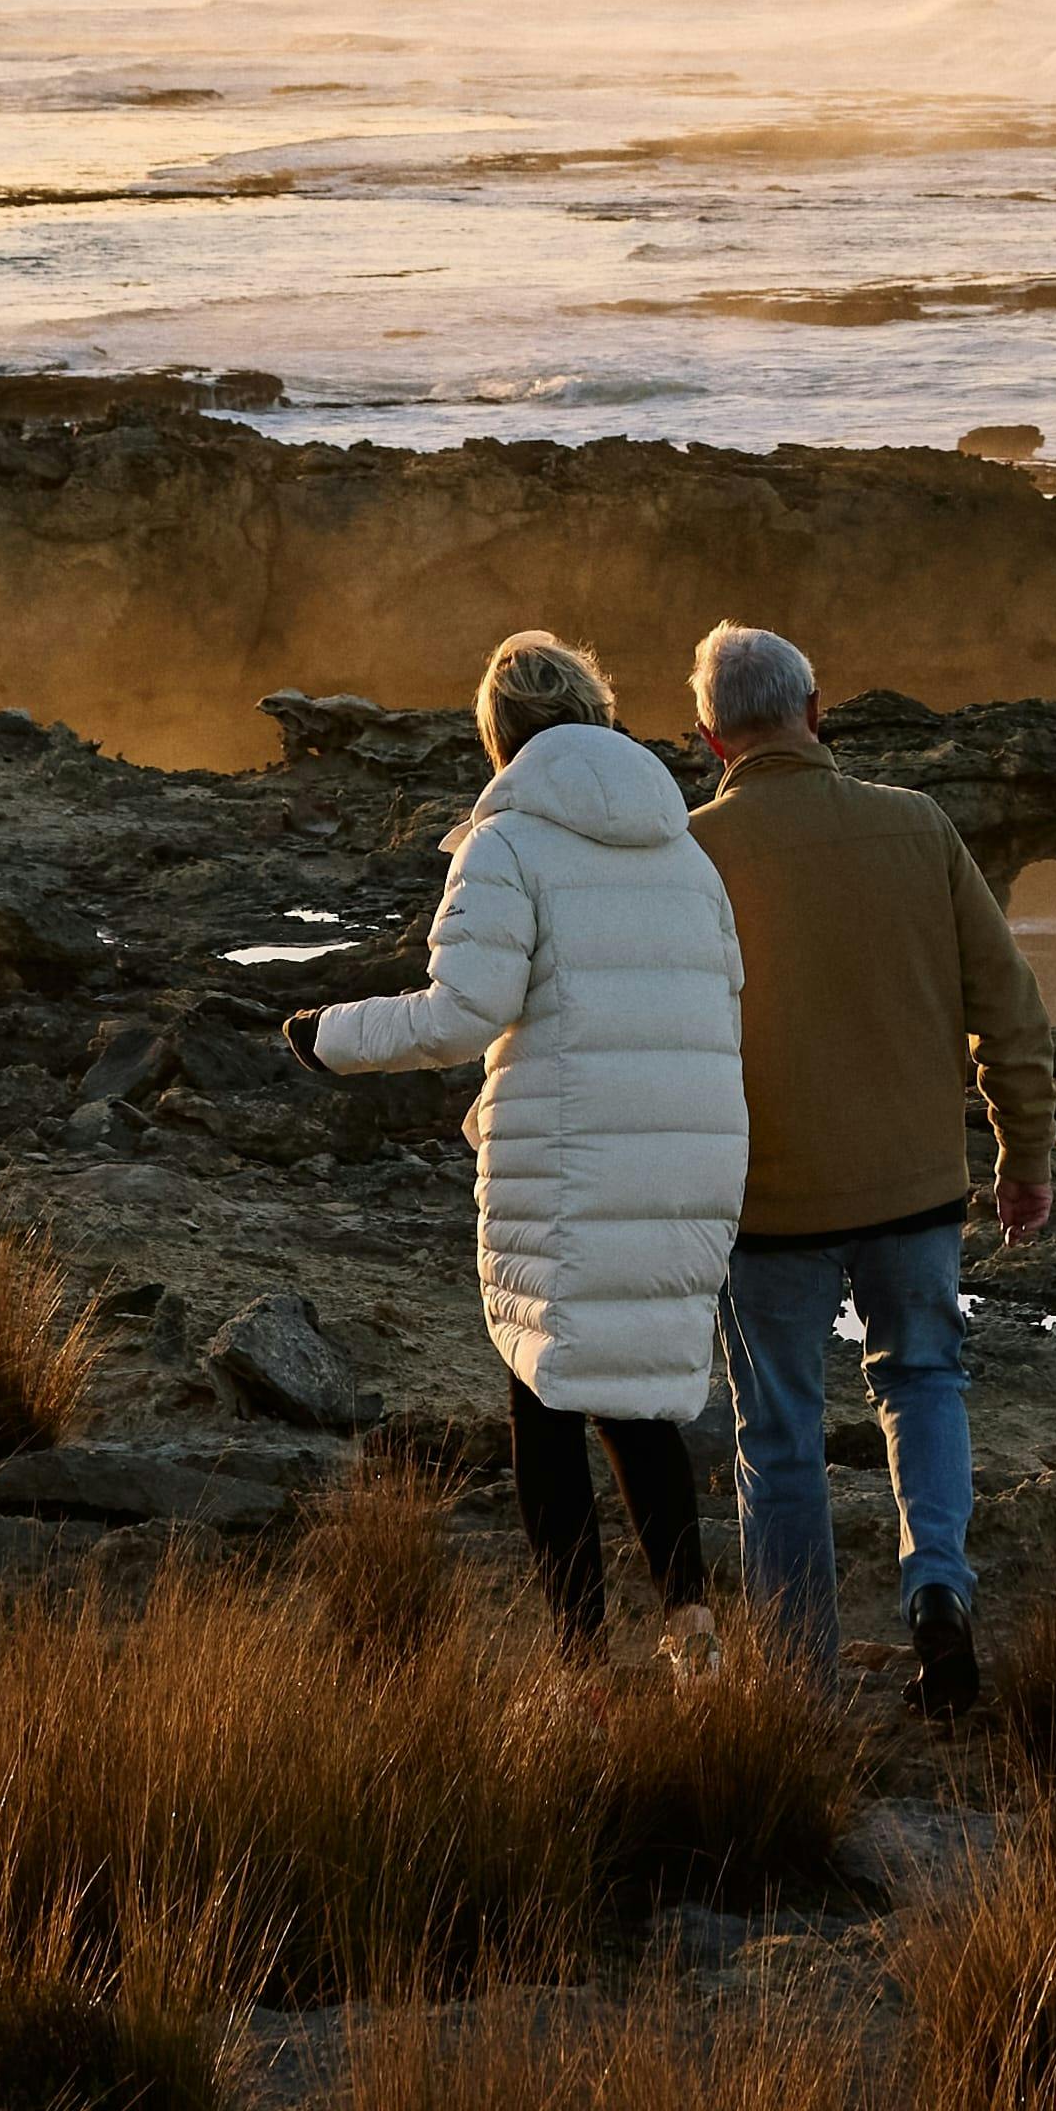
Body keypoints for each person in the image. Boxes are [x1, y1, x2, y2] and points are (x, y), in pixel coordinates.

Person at [291, 627, 749, 1643]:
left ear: (499, 736)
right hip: (690, 1154)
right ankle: (692, 1633)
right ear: (596, 715)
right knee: (635, 1395)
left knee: (543, 1397)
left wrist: (330, 1036)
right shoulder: (684, 851)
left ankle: (580, 1663)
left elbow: (462, 1014)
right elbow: (726, 1001)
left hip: (568, 1160)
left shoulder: (504, 845)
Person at [677, 616, 1056, 1716]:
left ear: (709, 738)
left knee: (778, 1433)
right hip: (915, 1187)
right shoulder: (917, 825)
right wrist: (1023, 1156)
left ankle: (799, 1684)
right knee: (923, 1379)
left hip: (764, 1199)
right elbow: (1011, 1009)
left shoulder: (689, 854)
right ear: (815, 710)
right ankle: (936, 1586)